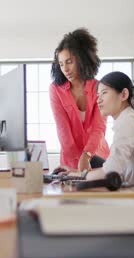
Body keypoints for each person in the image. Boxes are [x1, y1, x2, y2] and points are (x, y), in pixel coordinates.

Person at [80, 71, 134, 191]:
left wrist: (81, 175)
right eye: (98, 95)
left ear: (124, 94)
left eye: (104, 93)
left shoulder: (127, 123)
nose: (98, 100)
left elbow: (110, 171)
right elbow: (118, 168)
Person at [49, 28, 110, 172]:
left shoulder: (99, 87)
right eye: (61, 64)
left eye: (69, 62)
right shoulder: (55, 90)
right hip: (70, 161)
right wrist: (76, 166)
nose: (65, 69)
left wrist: (86, 156)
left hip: (97, 158)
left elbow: (98, 128)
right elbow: (63, 130)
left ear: (81, 59)